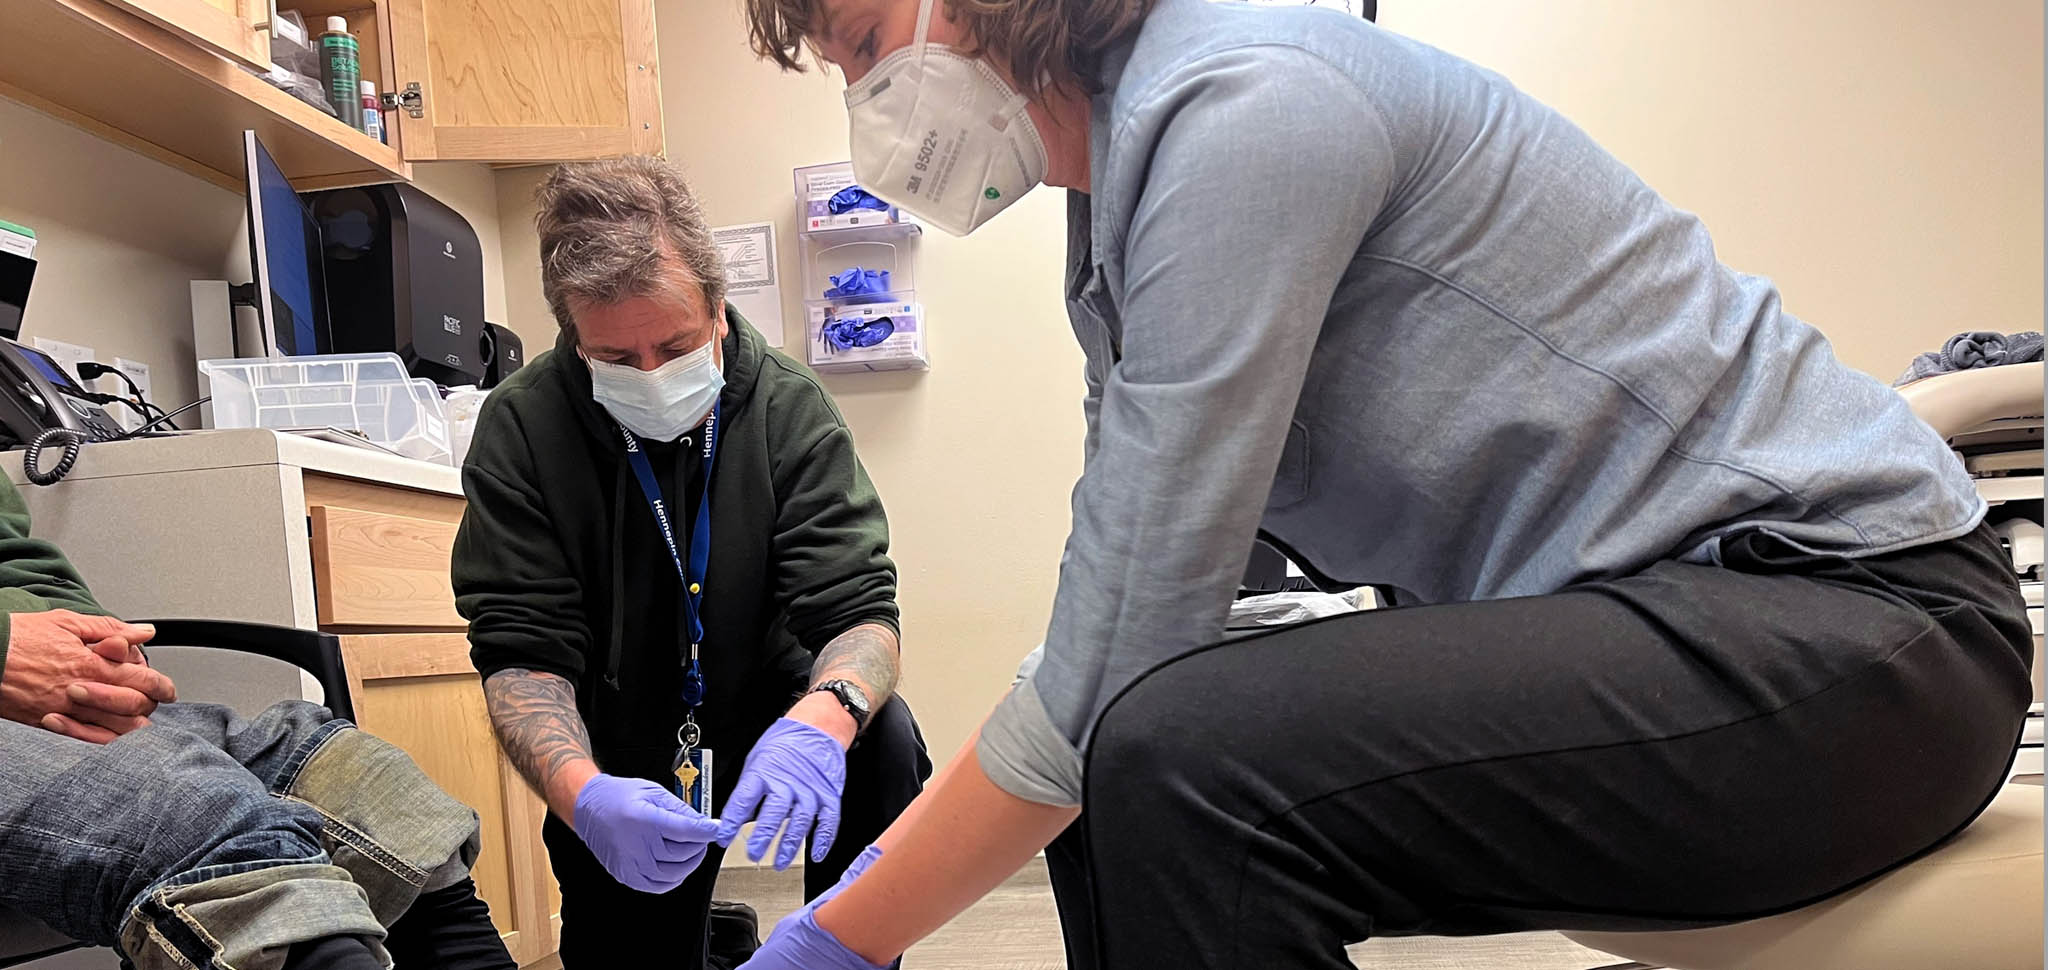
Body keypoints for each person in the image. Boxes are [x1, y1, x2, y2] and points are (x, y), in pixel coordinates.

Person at [726, 1, 2037, 968]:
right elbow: (1116, 630)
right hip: (1727, 627)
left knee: (1181, 761)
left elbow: (1116, 665)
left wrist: (844, 935)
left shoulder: (1245, 105)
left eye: (855, 41)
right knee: (1123, 756)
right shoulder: (1122, 220)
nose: (863, 98)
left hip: (1870, 631)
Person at [452, 156, 931, 969]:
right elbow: (522, 653)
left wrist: (824, 718)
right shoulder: (522, 427)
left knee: (882, 739)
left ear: (717, 305)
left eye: (674, 345)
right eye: (614, 356)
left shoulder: (786, 405)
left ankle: (850, 949)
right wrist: (585, 796)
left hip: (778, 704)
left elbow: (858, 611)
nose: (651, 375)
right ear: (572, 334)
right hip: (625, 737)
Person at [0, 476, 514, 970]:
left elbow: (17, 563)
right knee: (202, 817)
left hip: (47, 692)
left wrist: (98, 651)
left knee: (367, 784)